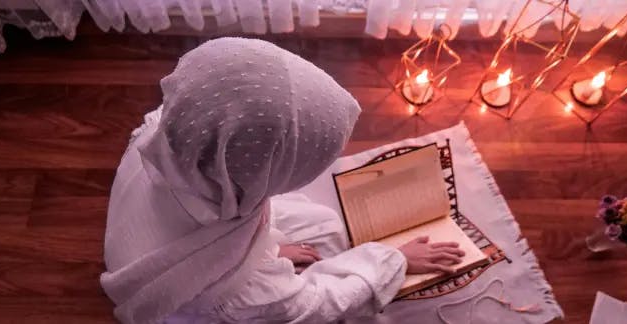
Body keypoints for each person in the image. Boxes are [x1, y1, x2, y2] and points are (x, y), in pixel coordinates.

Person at [100, 37, 465, 324]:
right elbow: (316, 304)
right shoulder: (240, 292)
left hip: (180, 229)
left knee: (322, 226)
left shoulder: (169, 129)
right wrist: (394, 261)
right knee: (330, 235)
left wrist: (260, 250)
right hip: (207, 295)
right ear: (254, 178)